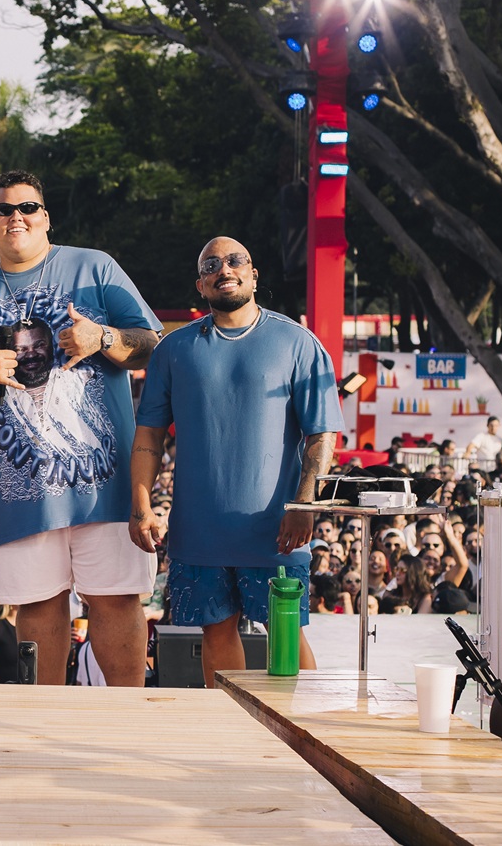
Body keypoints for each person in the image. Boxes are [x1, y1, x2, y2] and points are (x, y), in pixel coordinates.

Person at [0, 170, 161, 686]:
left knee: (116, 600)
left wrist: (100, 336)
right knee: (37, 607)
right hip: (18, 492)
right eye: (4, 210)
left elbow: (153, 343)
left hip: (103, 483)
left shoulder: (94, 268)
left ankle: (129, 717)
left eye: (28, 208)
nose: (16, 217)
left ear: (46, 217)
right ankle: (47, 721)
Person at [130, 236, 343, 687]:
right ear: (200, 285)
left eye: (234, 261)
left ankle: (307, 739)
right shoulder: (174, 349)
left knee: (286, 634)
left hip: (275, 530)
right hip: (199, 529)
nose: (223, 269)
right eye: (211, 265)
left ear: (253, 274)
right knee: (216, 632)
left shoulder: (297, 342)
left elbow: (321, 434)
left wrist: (304, 504)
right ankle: (235, 732)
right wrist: (142, 505)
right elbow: (148, 435)